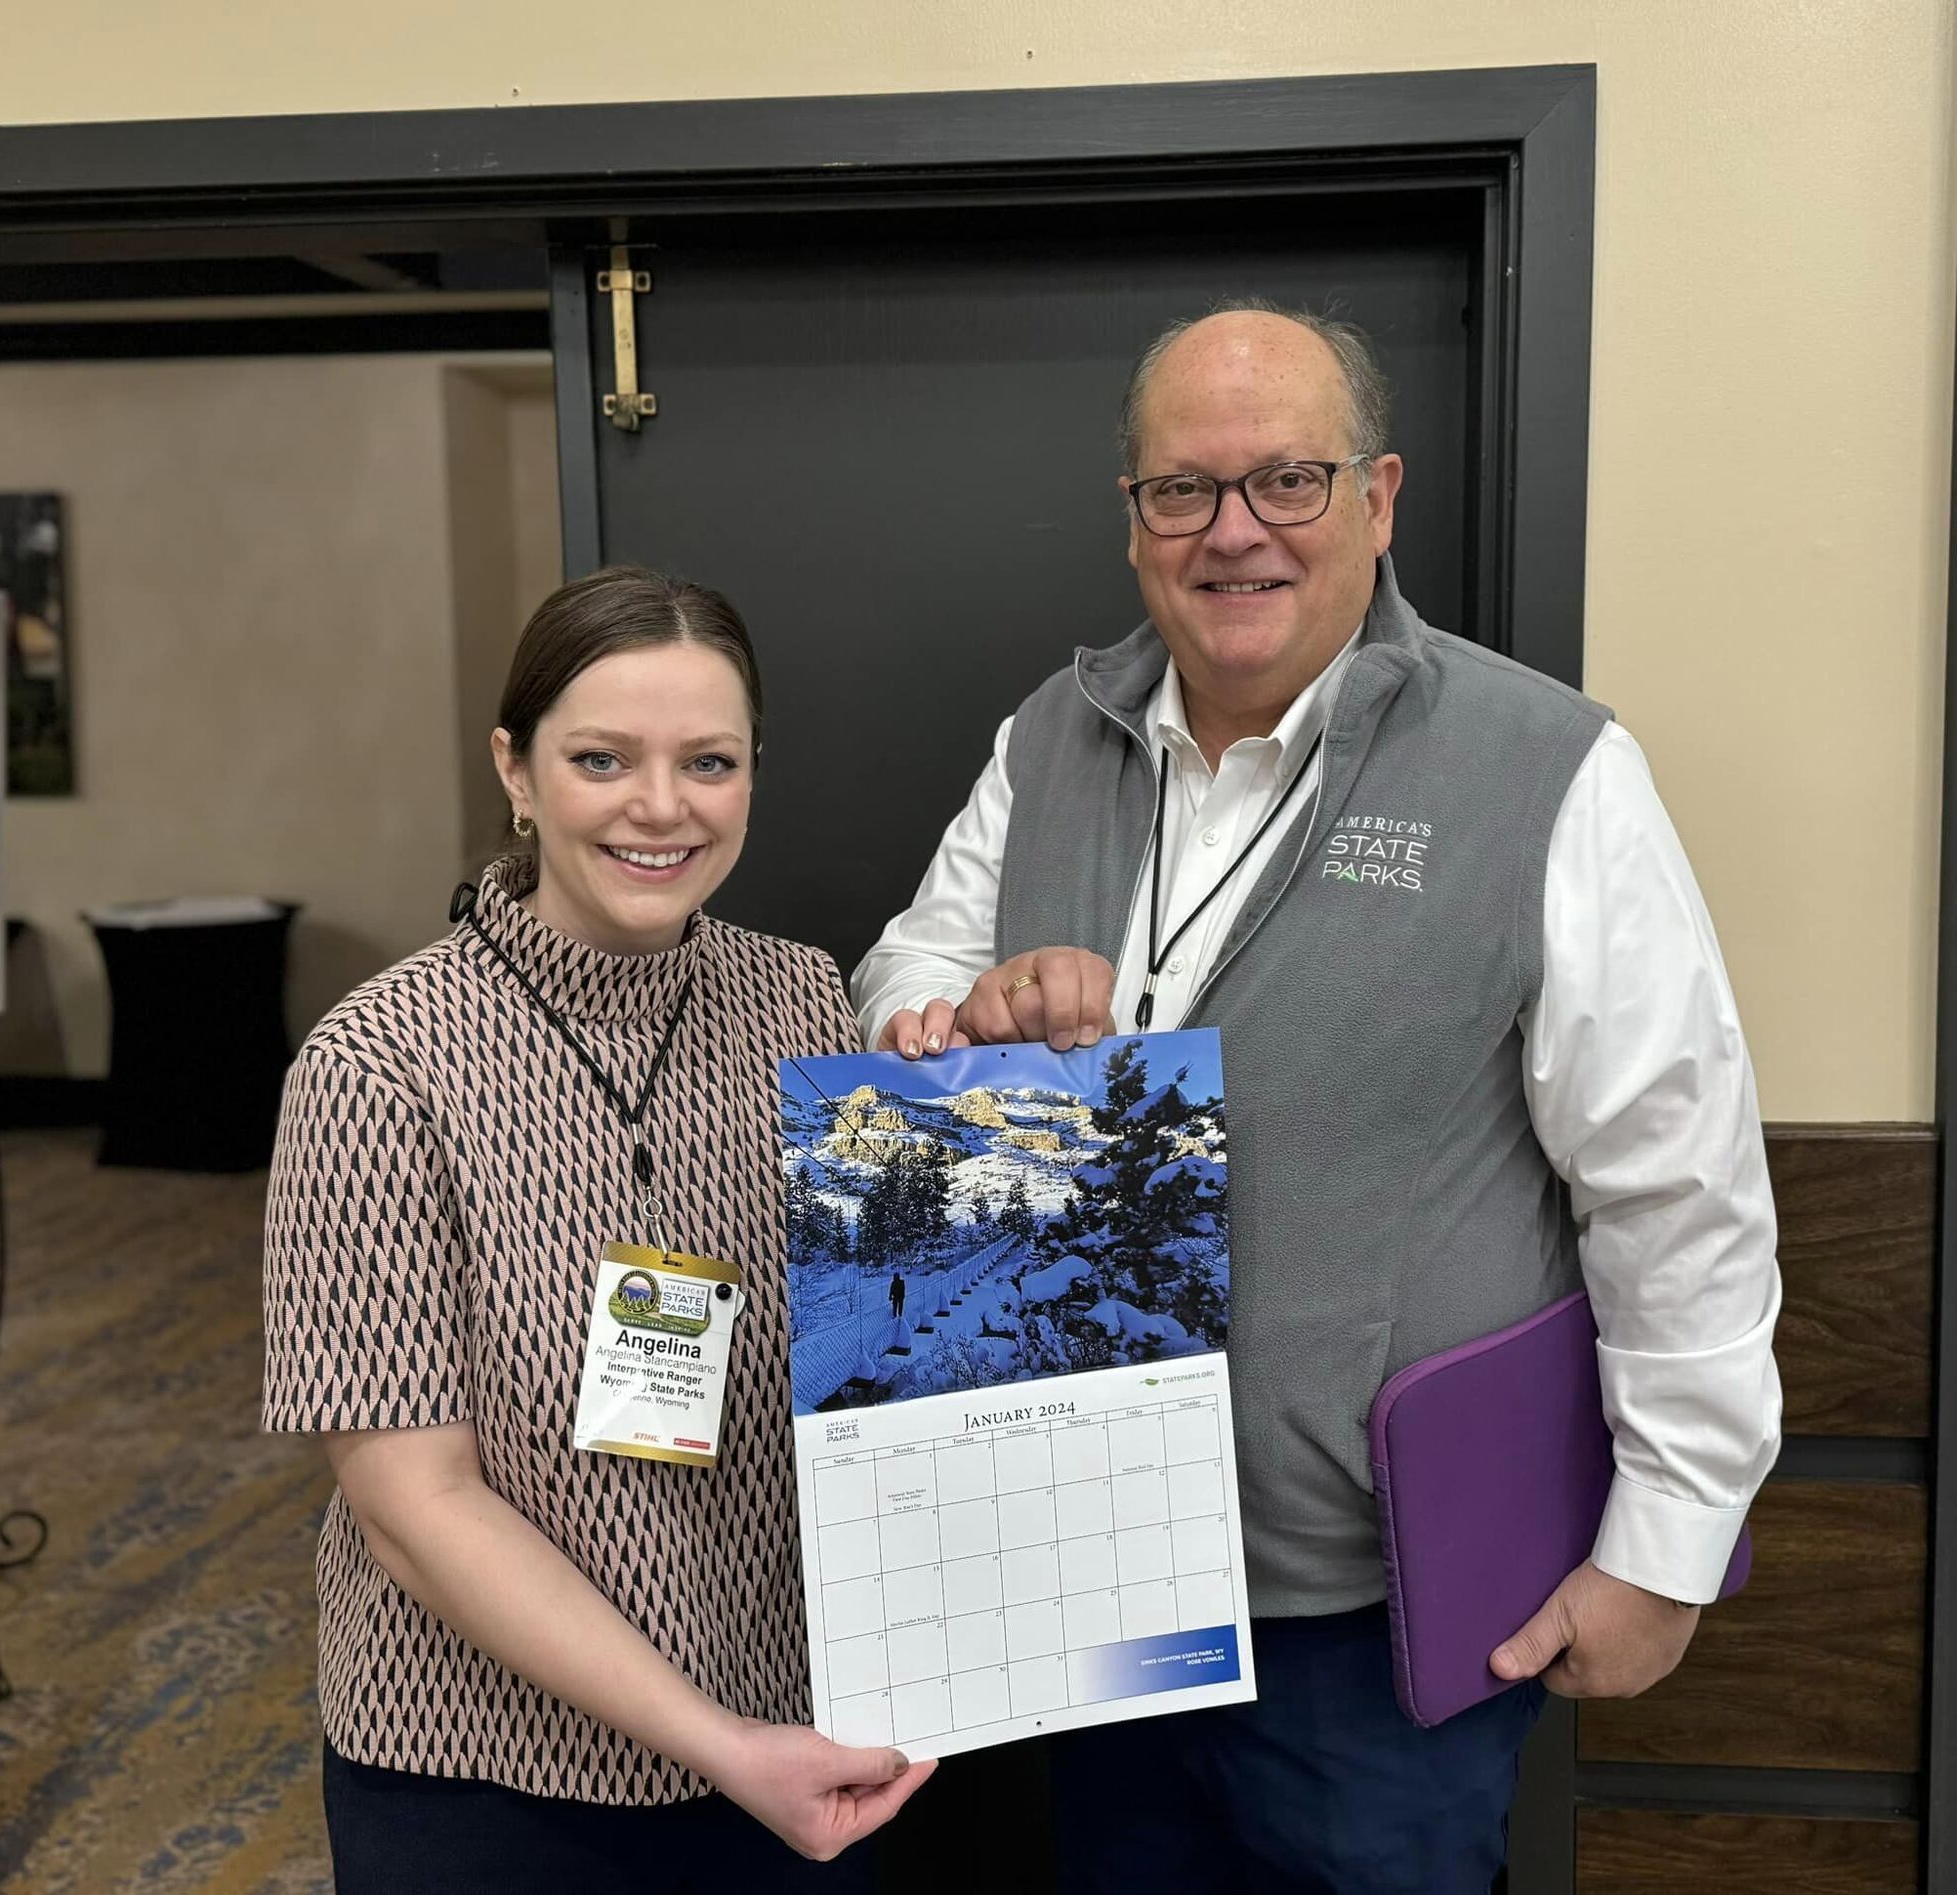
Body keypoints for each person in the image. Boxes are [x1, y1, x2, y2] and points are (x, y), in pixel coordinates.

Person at [853, 305, 1781, 1891]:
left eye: (1288, 479)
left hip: (1378, 1624)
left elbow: (1674, 1186)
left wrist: (1668, 1549)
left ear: (1380, 497)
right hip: (1081, 1583)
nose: (1234, 534)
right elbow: (899, 985)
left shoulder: (1549, 767)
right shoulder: (1045, 741)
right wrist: (965, 1017)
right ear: (1133, 516)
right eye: (1182, 490)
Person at [263, 566, 932, 1892]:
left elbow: (901, 1355)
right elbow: (413, 1506)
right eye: (602, 757)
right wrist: (717, 1743)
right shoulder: (376, 1066)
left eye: (710, 761)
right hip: (484, 1779)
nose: (662, 806)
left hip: (792, 1743)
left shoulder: (805, 1004)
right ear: (516, 771)